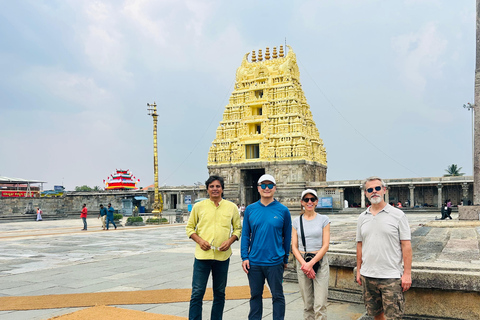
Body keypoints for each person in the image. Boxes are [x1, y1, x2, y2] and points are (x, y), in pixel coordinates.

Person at [185, 175, 242, 320]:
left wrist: (229, 241)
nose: (215, 189)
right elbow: (190, 228)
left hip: (222, 257)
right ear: (207, 189)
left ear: (222, 189)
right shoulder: (199, 207)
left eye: (217, 186)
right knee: (197, 292)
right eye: (212, 186)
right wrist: (199, 240)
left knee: (220, 293)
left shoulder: (231, 207)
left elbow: (237, 229)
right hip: (202, 256)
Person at [356, 176, 412, 320]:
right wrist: (359, 270)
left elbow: (406, 245)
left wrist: (407, 273)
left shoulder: (398, 215)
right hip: (368, 275)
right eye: (370, 190)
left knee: (393, 316)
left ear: (384, 190)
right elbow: (360, 244)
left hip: (390, 276)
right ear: (365, 193)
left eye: (377, 188)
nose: (374, 192)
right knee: (376, 314)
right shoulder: (362, 217)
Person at [241, 174, 292, 320]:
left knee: (277, 296)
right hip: (255, 262)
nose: (267, 188)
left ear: (275, 188)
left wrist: (285, 258)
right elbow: (245, 235)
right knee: (255, 296)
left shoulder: (283, 211)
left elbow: (287, 237)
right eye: (263, 185)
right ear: (258, 188)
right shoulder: (250, 210)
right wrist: (245, 256)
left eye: (270, 185)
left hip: (275, 262)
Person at [292, 189, 330, 320]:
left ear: (316, 202)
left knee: (320, 304)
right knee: (307, 304)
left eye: (312, 199)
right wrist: (305, 265)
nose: (309, 202)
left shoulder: (324, 219)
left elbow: (325, 245)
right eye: (306, 199)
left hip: (319, 261)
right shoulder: (296, 221)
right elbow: (294, 246)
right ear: (302, 202)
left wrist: (311, 264)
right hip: (302, 261)